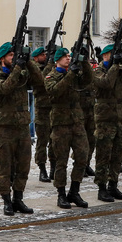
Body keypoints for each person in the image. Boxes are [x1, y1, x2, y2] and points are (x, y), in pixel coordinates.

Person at [0, 42, 44, 216]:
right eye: (10, 56)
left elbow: (39, 81)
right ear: (3, 58)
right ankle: (6, 200)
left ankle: (18, 199)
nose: (13, 58)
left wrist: (28, 62)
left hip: (22, 126)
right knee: (5, 167)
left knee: (23, 165)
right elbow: (4, 89)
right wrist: (17, 68)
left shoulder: (21, 72)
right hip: (5, 127)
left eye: (15, 55)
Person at [45, 47, 93, 209]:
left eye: (69, 56)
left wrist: (84, 61)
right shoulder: (51, 76)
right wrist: (71, 73)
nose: (68, 58)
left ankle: (74, 191)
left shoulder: (74, 73)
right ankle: (61, 194)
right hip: (61, 124)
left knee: (82, 157)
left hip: (77, 123)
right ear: (57, 60)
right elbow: (55, 91)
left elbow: (88, 79)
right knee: (61, 161)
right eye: (65, 57)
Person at [92, 44, 122, 202]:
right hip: (105, 119)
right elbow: (106, 84)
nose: (113, 56)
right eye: (111, 54)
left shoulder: (119, 69)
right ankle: (102, 188)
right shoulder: (98, 71)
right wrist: (114, 66)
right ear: (104, 56)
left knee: (118, 154)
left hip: (120, 118)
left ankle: (113, 184)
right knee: (104, 155)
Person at [31, 47, 55, 182]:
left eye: (46, 54)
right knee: (42, 141)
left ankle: (53, 167)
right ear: (35, 58)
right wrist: (50, 64)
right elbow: (42, 80)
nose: (45, 56)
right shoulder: (35, 68)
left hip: (53, 108)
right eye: (42, 55)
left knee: (54, 141)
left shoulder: (49, 66)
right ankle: (42, 169)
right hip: (42, 110)